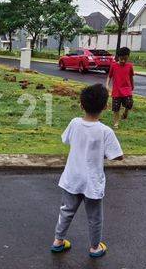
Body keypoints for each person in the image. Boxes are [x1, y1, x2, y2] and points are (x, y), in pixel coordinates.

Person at [51, 84, 124, 258]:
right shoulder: (105, 131)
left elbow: (66, 140)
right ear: (105, 107)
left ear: (81, 105)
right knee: (95, 217)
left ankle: (58, 241)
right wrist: (101, 154)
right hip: (92, 182)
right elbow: (118, 156)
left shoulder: (75, 123)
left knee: (66, 210)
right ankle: (94, 247)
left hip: (72, 177)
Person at [106, 47, 135, 129]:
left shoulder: (129, 66)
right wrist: (107, 85)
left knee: (129, 103)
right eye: (121, 59)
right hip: (116, 91)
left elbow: (131, 77)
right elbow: (109, 76)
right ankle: (116, 123)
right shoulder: (114, 66)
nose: (123, 61)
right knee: (116, 108)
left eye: (125, 59)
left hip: (127, 89)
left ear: (128, 57)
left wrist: (132, 86)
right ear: (118, 57)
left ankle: (125, 112)